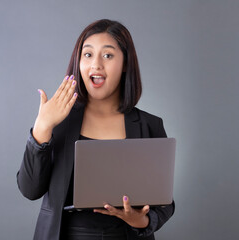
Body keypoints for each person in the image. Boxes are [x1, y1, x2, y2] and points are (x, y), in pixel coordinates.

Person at [17, 19, 175, 240]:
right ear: (78, 62)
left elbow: (164, 203)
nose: (96, 65)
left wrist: (141, 220)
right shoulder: (58, 121)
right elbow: (29, 189)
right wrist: (42, 127)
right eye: (88, 54)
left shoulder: (150, 125)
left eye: (108, 55)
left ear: (126, 64)